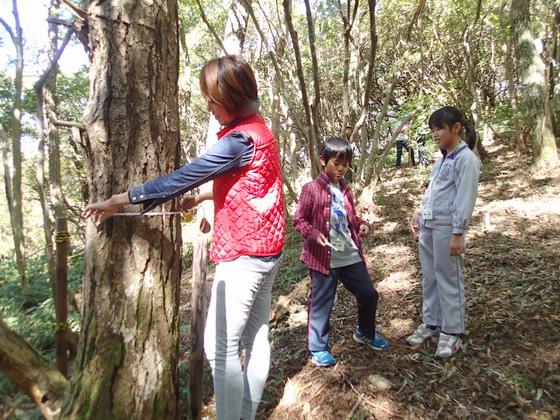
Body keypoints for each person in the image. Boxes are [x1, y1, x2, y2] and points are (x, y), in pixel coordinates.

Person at [82, 55, 285, 420]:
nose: (208, 107)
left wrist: (120, 198)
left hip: (245, 255)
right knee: (256, 338)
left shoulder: (239, 140)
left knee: (219, 348)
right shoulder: (260, 130)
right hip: (267, 249)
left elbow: (183, 176)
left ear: (231, 98)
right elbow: (256, 182)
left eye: (212, 100)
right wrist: (207, 196)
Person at [293, 137, 389, 367]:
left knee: (368, 293)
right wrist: (314, 233)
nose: (340, 169)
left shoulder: (345, 189)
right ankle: (318, 348)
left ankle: (365, 332)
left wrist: (362, 224)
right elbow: (298, 220)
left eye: (345, 165)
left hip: (348, 254)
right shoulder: (311, 189)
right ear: (323, 161)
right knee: (322, 302)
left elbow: (349, 218)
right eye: (336, 163)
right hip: (323, 257)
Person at [407, 106, 480, 358]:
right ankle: (431, 322)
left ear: (456, 128)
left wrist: (458, 232)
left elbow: (464, 198)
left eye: (439, 128)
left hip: (448, 229)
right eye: (432, 130)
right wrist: (419, 211)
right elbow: (432, 192)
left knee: (449, 278)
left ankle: (452, 331)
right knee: (430, 276)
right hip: (429, 227)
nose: (435, 134)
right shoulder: (442, 160)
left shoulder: (466, 159)